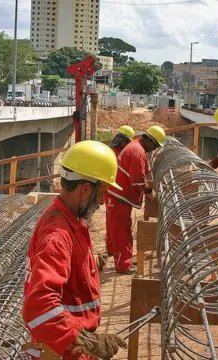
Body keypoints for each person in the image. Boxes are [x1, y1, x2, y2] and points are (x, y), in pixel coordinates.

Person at [22, 140, 127, 360]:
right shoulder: (57, 236)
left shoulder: (71, 221)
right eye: (102, 192)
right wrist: (83, 339)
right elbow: (39, 306)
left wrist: (89, 262)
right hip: (62, 351)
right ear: (86, 188)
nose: (101, 201)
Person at [106, 125, 166, 274]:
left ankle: (122, 259)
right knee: (122, 232)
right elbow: (138, 180)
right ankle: (123, 265)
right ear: (150, 140)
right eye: (155, 145)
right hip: (119, 198)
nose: (154, 149)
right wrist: (149, 191)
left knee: (121, 229)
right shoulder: (138, 151)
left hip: (119, 196)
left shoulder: (135, 147)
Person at [104, 125, 135, 256]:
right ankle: (123, 262)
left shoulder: (111, 151)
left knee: (111, 222)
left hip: (109, 193)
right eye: (127, 142)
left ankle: (111, 248)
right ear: (122, 140)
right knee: (120, 228)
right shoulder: (118, 155)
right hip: (117, 194)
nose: (128, 145)